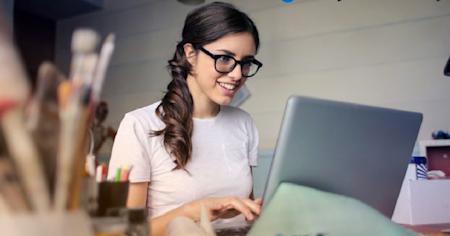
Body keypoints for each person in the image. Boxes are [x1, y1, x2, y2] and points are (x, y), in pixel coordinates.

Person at [108, 2, 263, 235]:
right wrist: (193, 211)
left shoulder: (244, 123)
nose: (237, 74)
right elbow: (122, 231)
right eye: (224, 59)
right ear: (191, 54)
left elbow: (247, 213)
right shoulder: (139, 125)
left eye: (246, 63)